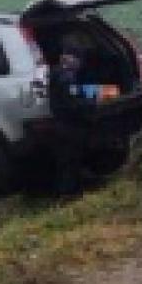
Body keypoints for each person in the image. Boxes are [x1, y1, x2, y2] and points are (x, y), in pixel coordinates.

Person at [48, 51, 96, 194]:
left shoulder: (55, 74)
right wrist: (90, 103)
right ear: (70, 61)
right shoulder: (67, 79)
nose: (79, 64)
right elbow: (73, 103)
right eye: (77, 60)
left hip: (60, 123)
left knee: (64, 160)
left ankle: (67, 189)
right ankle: (70, 191)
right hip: (70, 124)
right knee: (71, 159)